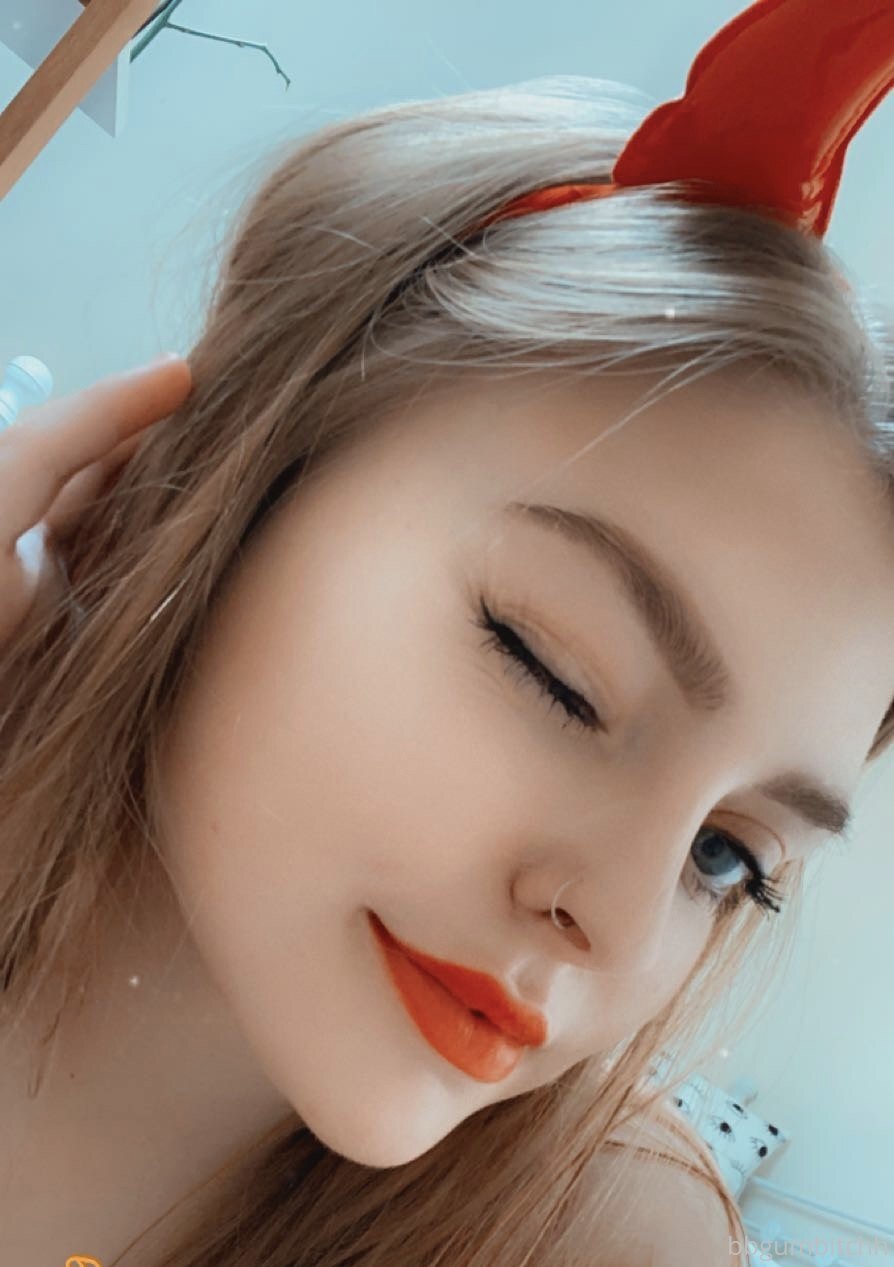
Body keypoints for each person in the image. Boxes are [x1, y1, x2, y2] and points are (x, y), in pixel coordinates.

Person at [1, 0, 893, 1263]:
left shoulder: (619, 1241)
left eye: (725, 858)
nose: (620, 923)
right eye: (556, 673)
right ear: (228, 478)